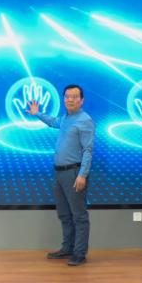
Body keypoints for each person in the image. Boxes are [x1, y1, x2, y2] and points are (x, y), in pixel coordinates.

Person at [29, 84, 95, 266]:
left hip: (74, 173)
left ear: (82, 100)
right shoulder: (66, 118)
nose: (70, 99)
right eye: (67, 96)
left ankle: (79, 254)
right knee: (65, 214)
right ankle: (67, 248)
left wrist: (82, 175)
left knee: (79, 216)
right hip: (59, 173)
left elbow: (88, 150)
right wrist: (37, 113)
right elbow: (53, 122)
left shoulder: (85, 120)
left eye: (74, 96)